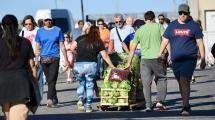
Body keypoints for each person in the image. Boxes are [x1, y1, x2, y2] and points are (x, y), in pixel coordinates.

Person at [158, 4, 206, 116]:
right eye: (181, 13)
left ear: (188, 13)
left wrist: (203, 58)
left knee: (184, 80)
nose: (183, 15)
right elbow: (165, 40)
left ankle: (185, 106)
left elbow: (200, 43)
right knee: (181, 82)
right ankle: (186, 103)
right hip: (176, 60)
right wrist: (159, 53)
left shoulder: (194, 26)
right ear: (178, 13)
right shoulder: (172, 25)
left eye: (185, 13)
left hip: (189, 59)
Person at [127, 11, 167, 112]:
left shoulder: (139, 30)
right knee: (161, 79)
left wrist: (129, 62)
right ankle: (159, 102)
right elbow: (165, 40)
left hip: (144, 60)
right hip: (158, 58)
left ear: (145, 20)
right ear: (154, 18)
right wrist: (170, 54)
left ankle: (148, 105)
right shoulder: (159, 26)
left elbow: (132, 48)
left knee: (146, 83)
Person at [0, 14, 37, 120]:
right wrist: (34, 82)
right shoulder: (25, 42)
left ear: (2, 27)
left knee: (8, 115)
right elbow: (32, 65)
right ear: (17, 26)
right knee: (18, 114)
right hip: (21, 82)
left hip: (3, 83)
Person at [73, 25, 115, 112]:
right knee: (89, 85)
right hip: (91, 65)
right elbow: (105, 56)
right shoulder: (98, 41)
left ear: (89, 31)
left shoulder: (80, 38)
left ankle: (80, 99)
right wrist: (112, 66)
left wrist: (77, 54)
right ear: (97, 33)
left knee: (81, 83)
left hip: (79, 65)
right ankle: (88, 106)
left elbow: (71, 48)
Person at [35, 13, 69, 107]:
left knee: (52, 79)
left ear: (52, 20)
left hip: (55, 57)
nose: (48, 21)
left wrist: (66, 60)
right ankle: (54, 96)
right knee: (49, 80)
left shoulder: (58, 30)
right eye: (46, 20)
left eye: (49, 20)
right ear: (43, 21)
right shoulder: (40, 31)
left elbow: (62, 45)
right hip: (43, 58)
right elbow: (37, 46)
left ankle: (49, 99)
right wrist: (36, 59)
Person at [19, 15, 45, 102]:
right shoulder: (22, 32)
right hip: (25, 59)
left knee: (38, 79)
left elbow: (43, 44)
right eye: (26, 24)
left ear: (33, 23)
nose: (28, 26)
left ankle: (38, 98)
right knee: (26, 79)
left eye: (30, 24)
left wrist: (38, 56)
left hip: (37, 58)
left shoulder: (39, 31)